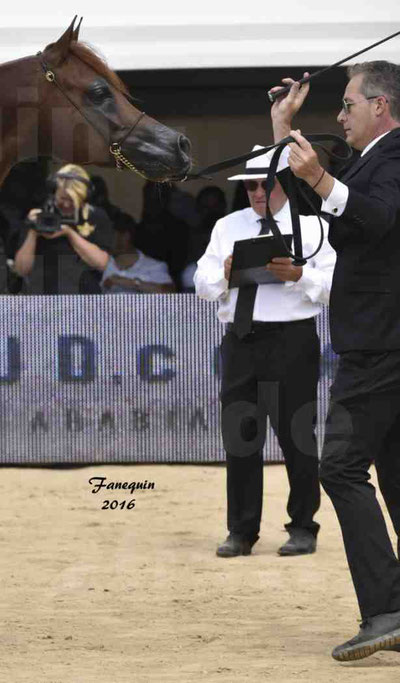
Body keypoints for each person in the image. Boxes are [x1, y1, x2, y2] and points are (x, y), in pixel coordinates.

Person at [271, 60, 400, 661]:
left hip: (380, 345)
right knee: (395, 478)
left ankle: (386, 609)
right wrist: (281, 131)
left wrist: (323, 180)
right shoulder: (375, 160)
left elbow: (373, 218)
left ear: (382, 106)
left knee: (341, 467)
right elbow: (323, 199)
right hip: (380, 342)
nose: (340, 114)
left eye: (348, 103)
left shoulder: (395, 155)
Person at [194, 144, 336, 560]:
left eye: (264, 184)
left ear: (282, 184)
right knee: (240, 438)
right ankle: (241, 530)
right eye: (251, 185)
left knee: (297, 436)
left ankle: (303, 526)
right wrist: (221, 274)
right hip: (241, 339)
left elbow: (333, 288)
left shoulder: (313, 228)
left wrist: (299, 274)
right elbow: (201, 283)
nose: (257, 192)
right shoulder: (227, 226)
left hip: (292, 339)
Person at [13, 164, 114, 294]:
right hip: (44, 299)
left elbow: (102, 263)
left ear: (84, 197)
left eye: (72, 200)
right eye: (62, 198)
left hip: (85, 299)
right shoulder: (41, 216)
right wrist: (33, 231)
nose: (66, 204)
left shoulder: (95, 216)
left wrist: (69, 233)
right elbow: (21, 269)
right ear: (54, 193)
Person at [56, 216, 175, 293]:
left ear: (126, 236)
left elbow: (169, 292)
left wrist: (128, 282)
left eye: (110, 236)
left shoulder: (154, 266)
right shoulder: (102, 265)